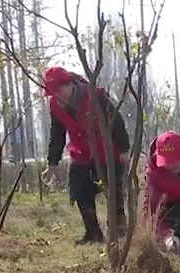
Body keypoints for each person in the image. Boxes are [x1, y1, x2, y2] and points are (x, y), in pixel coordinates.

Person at [42, 66, 130, 244]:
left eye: (58, 90)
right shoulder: (54, 105)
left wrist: (123, 149)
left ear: (69, 84)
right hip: (81, 153)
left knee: (114, 193)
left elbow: (116, 121)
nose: (56, 96)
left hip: (107, 153)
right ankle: (93, 233)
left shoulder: (95, 96)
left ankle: (119, 231)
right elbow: (57, 135)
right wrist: (52, 163)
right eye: (52, 93)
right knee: (79, 190)